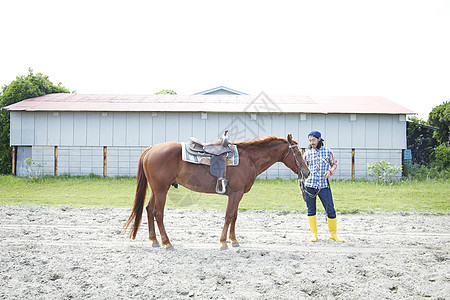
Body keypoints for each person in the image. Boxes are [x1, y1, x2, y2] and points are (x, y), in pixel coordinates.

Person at [303, 131, 344, 242]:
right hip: (309, 186)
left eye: (313, 140)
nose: (311, 143)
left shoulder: (328, 152)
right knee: (311, 210)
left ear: (319, 139)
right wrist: (302, 188)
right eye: (310, 140)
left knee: (330, 209)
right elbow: (303, 171)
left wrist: (330, 172)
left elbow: (335, 164)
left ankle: (333, 234)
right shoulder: (307, 154)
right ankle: (314, 234)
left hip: (323, 186)